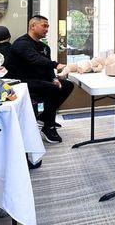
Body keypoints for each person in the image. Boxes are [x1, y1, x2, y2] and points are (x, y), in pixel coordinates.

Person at [10, 15, 74, 144]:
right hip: (24, 81)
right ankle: (48, 126)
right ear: (33, 26)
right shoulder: (21, 43)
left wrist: (53, 78)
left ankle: (45, 117)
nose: (47, 29)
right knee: (53, 89)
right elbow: (35, 59)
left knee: (67, 85)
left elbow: (46, 64)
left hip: (42, 80)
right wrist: (57, 65)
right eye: (44, 26)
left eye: (48, 26)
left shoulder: (45, 47)